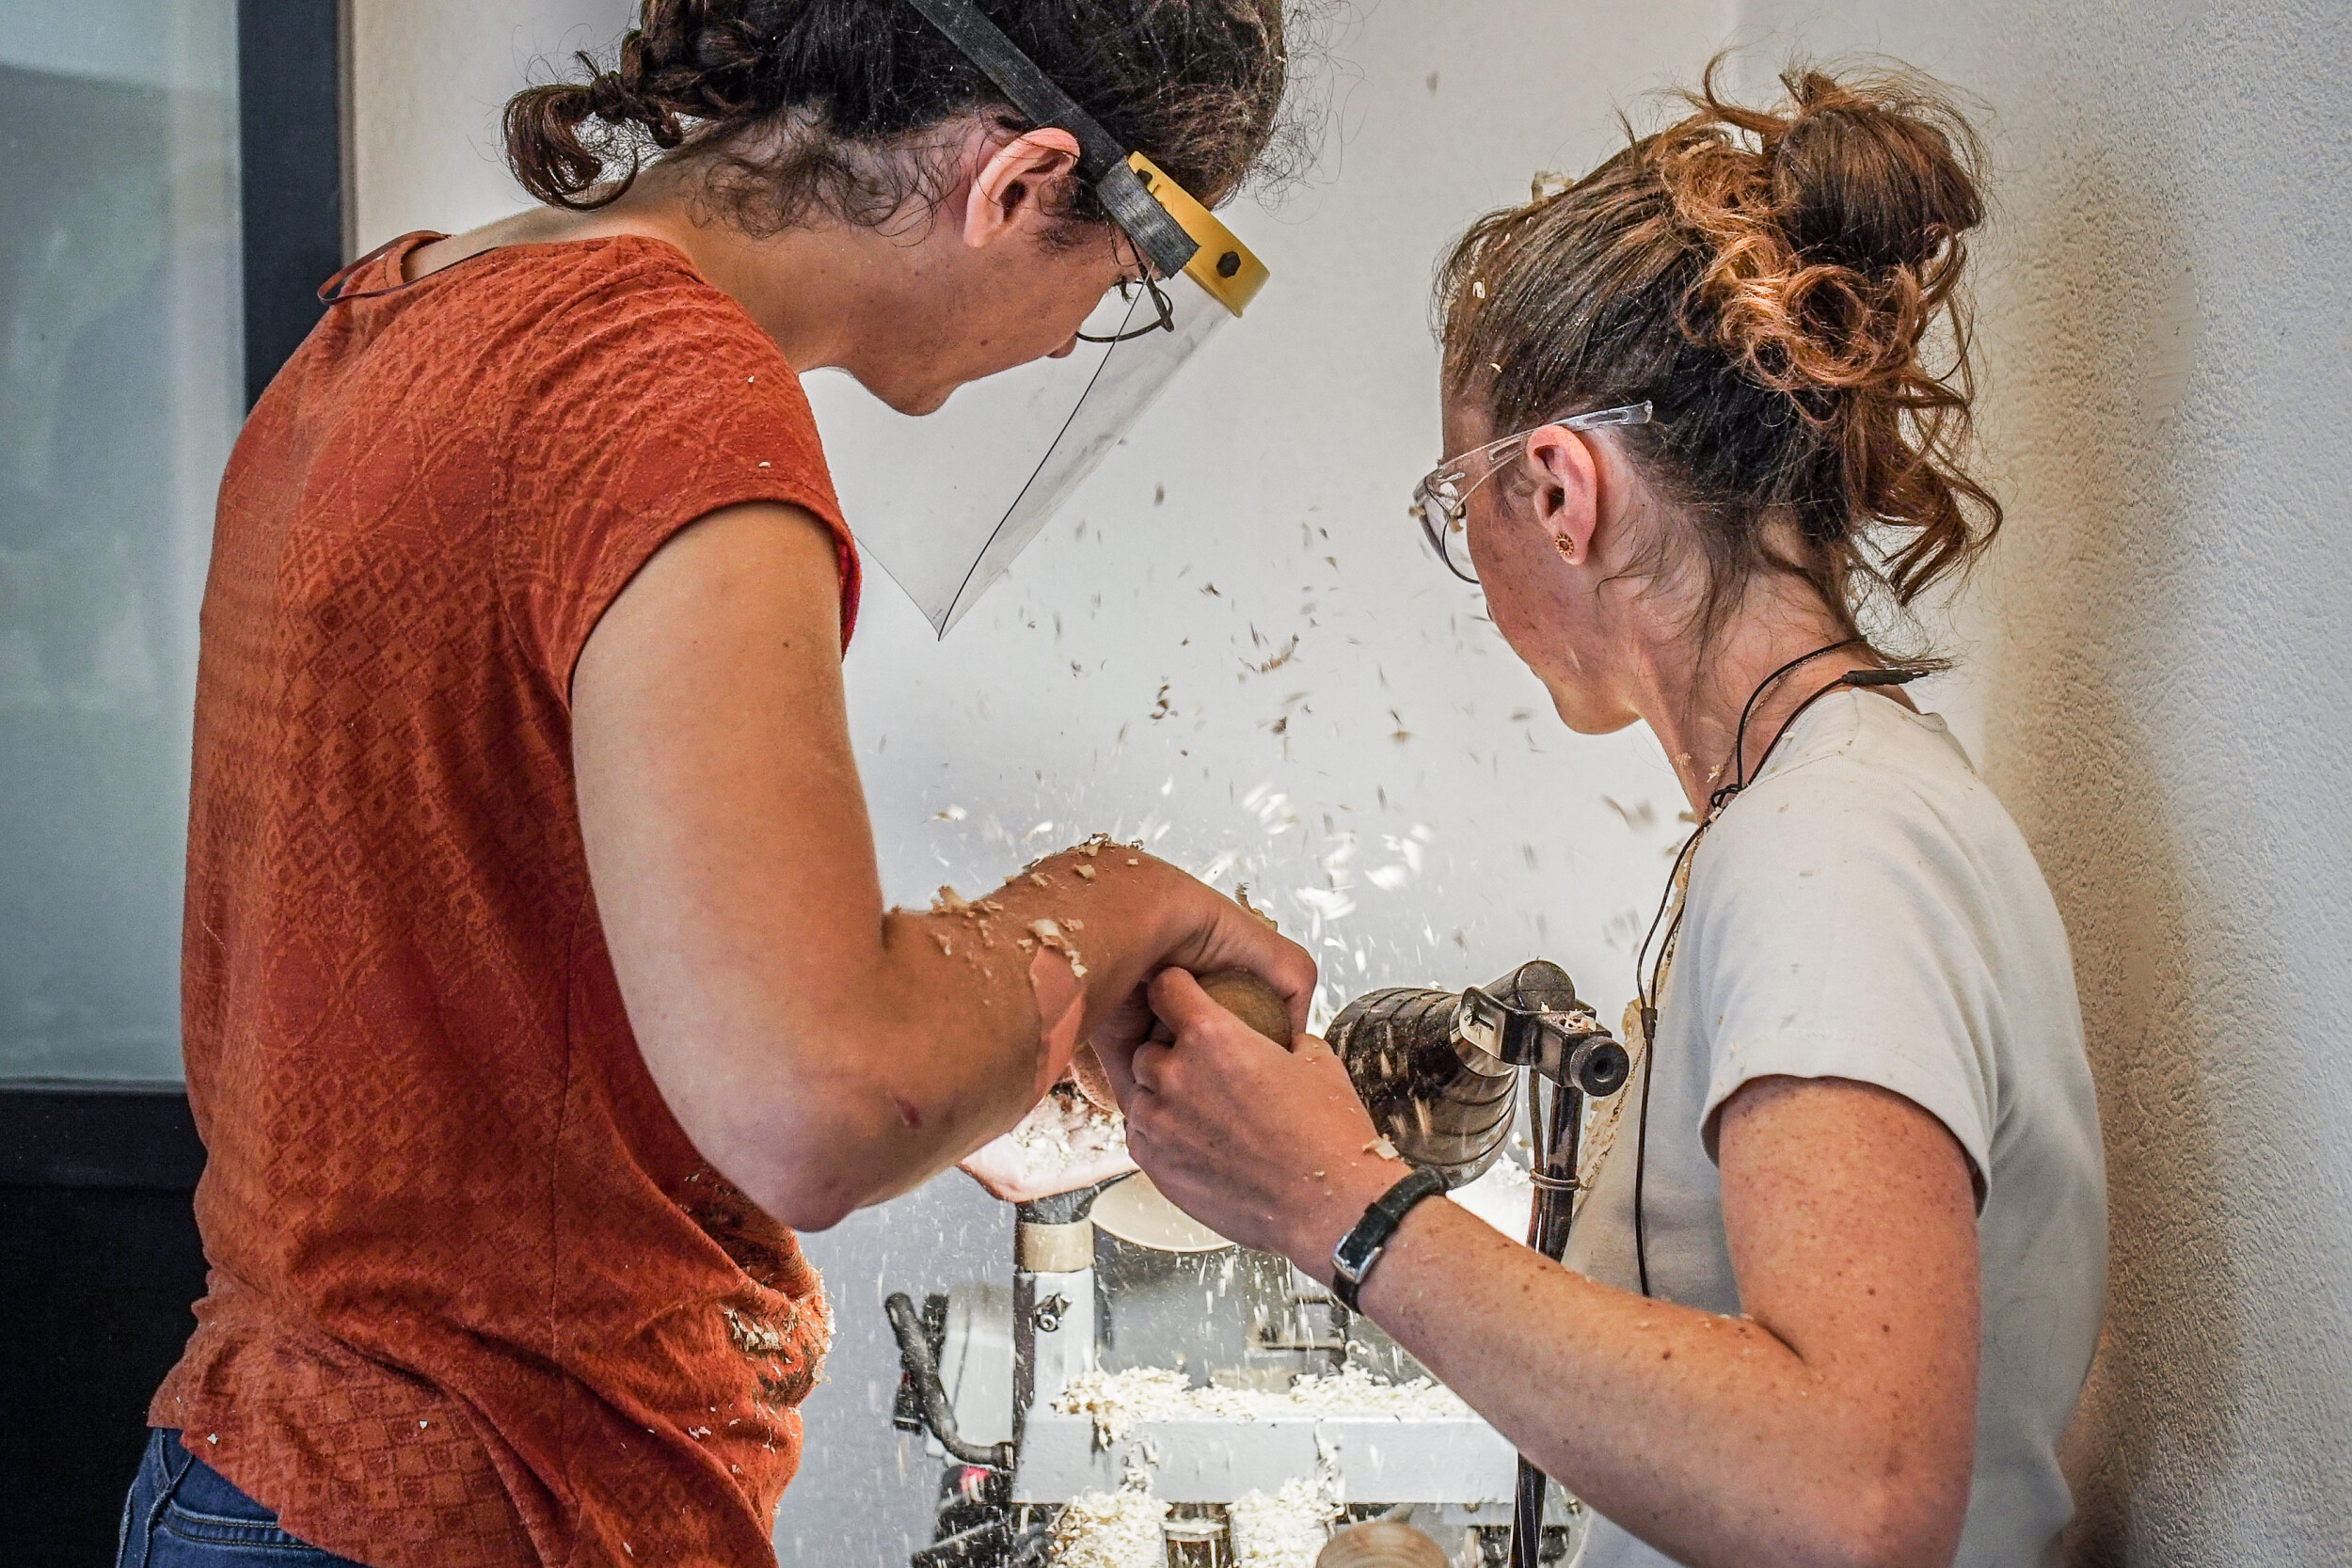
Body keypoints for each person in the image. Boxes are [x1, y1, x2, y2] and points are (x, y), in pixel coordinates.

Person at [120, 5, 1313, 1566]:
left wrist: (960, 1053)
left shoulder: (395, 320)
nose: (1064, 341)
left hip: (266, 1459)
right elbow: (816, 1107)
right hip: (482, 1495)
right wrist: (1123, 902)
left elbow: (470, 934)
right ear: (1017, 185)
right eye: (1111, 287)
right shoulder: (664, 400)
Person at [1096, 65, 2106, 1568]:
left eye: (1464, 506)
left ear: (1561, 491)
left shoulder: (1835, 853)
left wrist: (1340, 1210)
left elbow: (1857, 1494)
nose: (1480, 565)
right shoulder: (1818, 814)